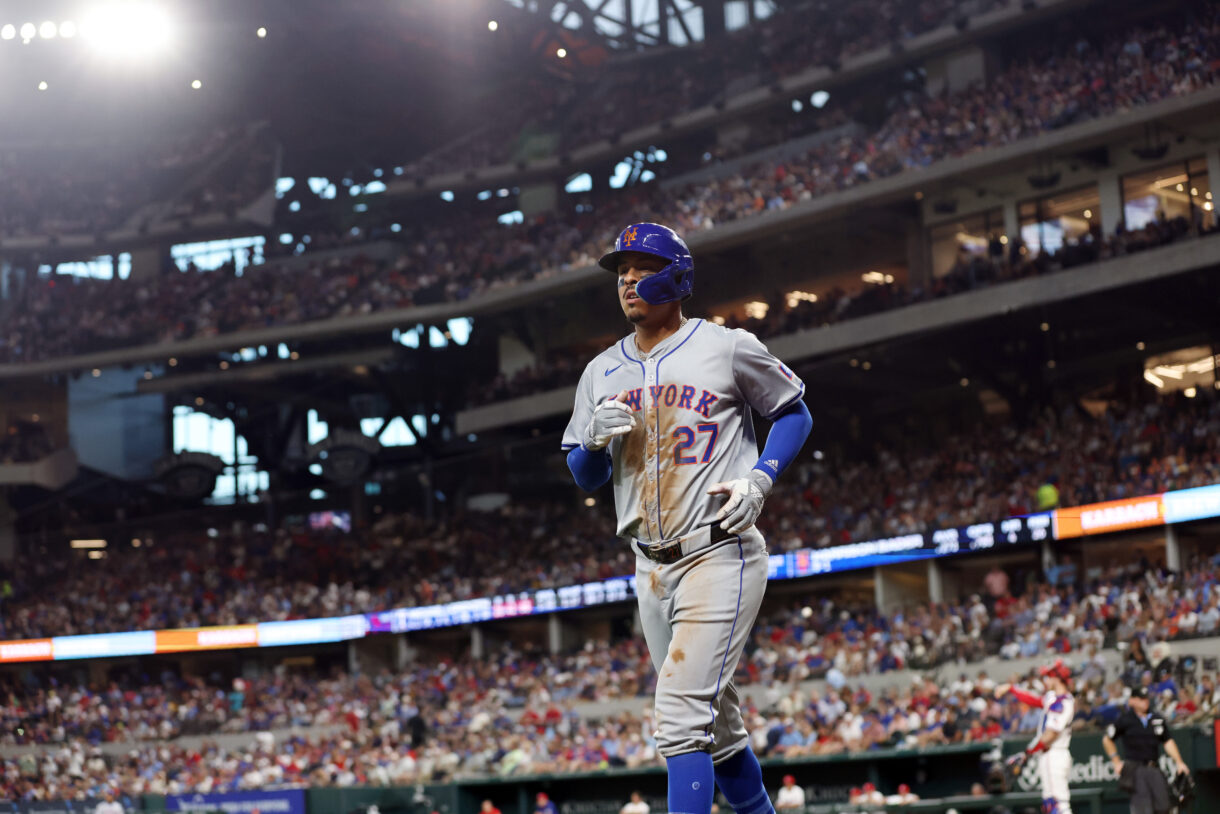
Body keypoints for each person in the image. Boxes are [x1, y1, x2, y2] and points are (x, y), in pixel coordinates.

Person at [564, 223, 812, 814]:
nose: (627, 279)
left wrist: (761, 476)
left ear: (676, 277)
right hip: (648, 567)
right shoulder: (600, 371)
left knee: (679, 715)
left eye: (642, 267)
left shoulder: (726, 346)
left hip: (718, 551)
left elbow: (795, 413)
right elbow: (586, 477)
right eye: (621, 271)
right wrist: (592, 445)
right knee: (716, 729)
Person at [994, 659, 1075, 814]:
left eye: (1049, 676)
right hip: (1048, 754)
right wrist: (1012, 688)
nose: (1046, 680)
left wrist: (1027, 752)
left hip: (1055, 753)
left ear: (1057, 678)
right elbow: (1033, 700)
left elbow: (1049, 736)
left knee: (1058, 806)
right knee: (1050, 805)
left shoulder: (1064, 703)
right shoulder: (1052, 697)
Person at [1101, 686, 1191, 814]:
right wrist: (1116, 761)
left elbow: (1167, 741)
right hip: (1135, 769)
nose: (1145, 701)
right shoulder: (1125, 719)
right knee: (1142, 808)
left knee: (1164, 806)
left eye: (1145, 698)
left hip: (1154, 767)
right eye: (1140, 699)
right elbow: (1107, 739)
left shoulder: (1156, 718)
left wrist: (1179, 761)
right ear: (1132, 701)